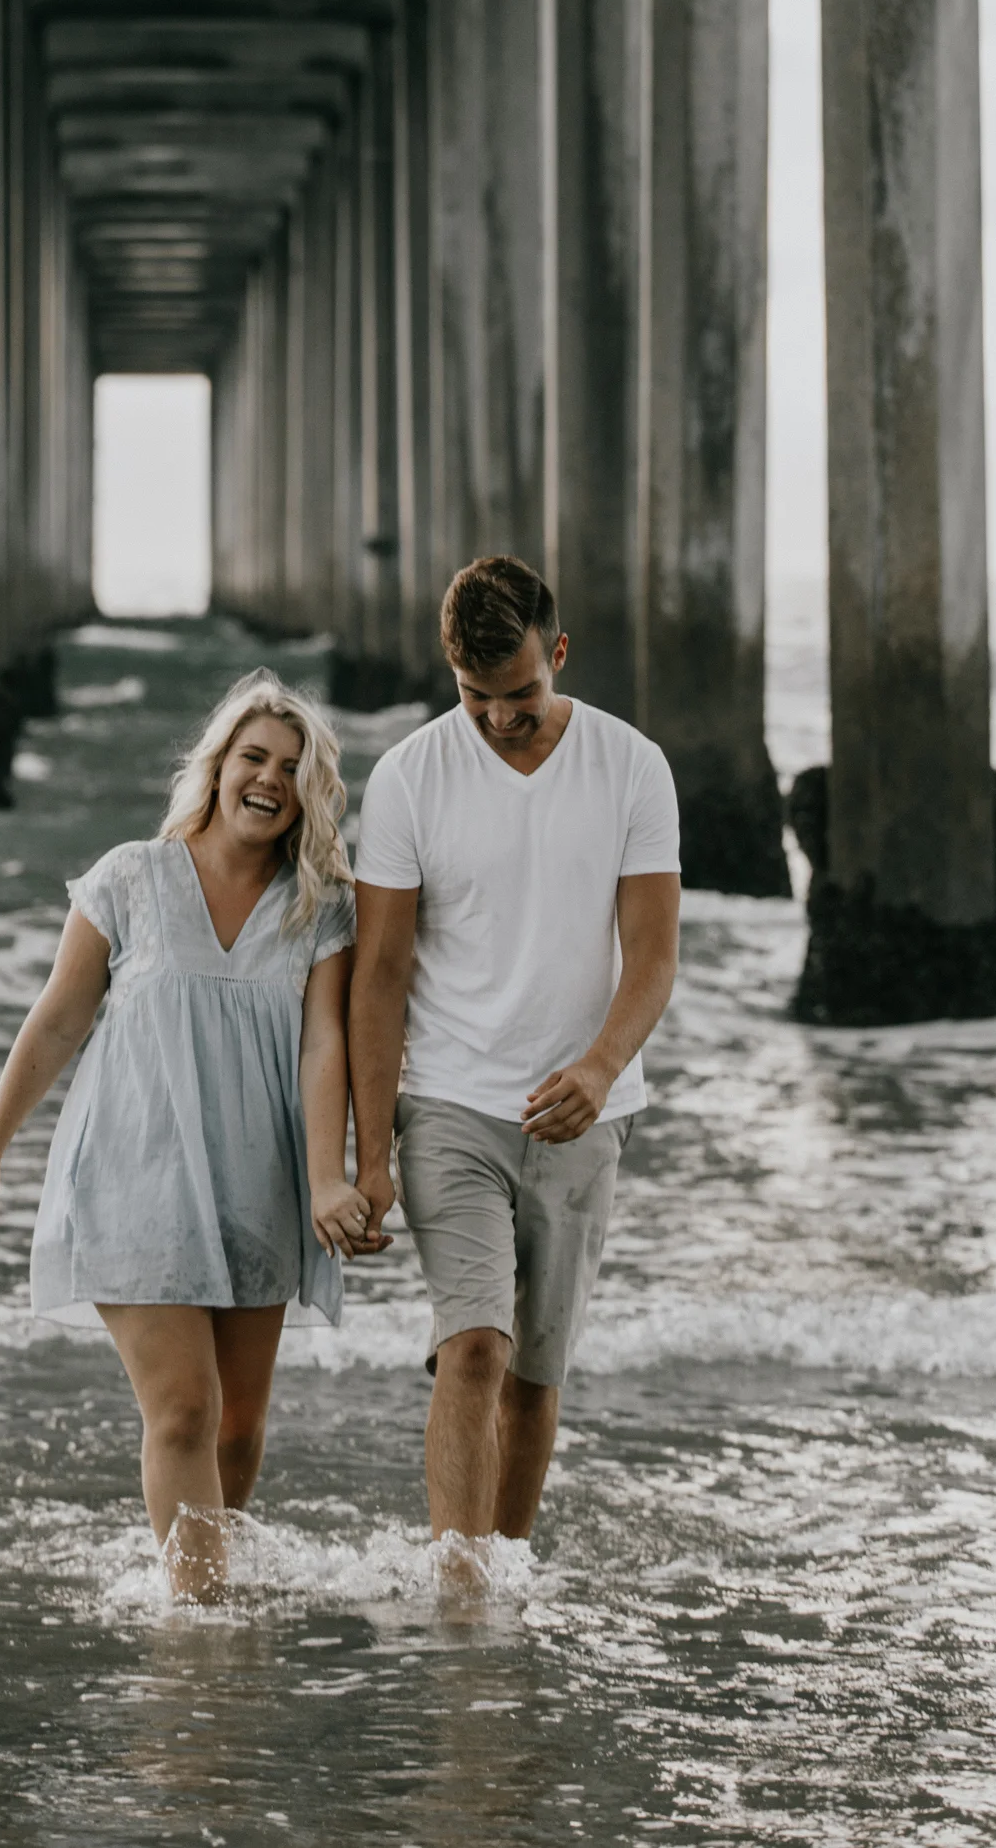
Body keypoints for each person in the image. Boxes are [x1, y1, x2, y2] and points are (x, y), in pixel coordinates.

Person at [0, 672, 372, 1600]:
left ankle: (205, 1582)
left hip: (259, 1182)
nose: (269, 780)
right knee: (184, 1414)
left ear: (313, 792)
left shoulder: (322, 906)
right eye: (253, 757)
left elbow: (325, 1045)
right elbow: (58, 1018)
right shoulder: (129, 878)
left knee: (236, 1431)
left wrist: (329, 1178)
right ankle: (198, 1623)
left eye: (294, 769)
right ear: (216, 766)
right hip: (133, 1176)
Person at [349, 555, 681, 1568]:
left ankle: (506, 1569)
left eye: (520, 693)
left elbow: (654, 955)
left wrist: (598, 1067)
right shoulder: (409, 776)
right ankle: (459, 1583)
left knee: (535, 1376)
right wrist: (371, 1155)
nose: (498, 717)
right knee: (476, 1346)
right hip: (449, 1102)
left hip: (583, 1113)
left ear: (560, 653)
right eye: (474, 696)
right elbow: (378, 977)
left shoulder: (631, 766)